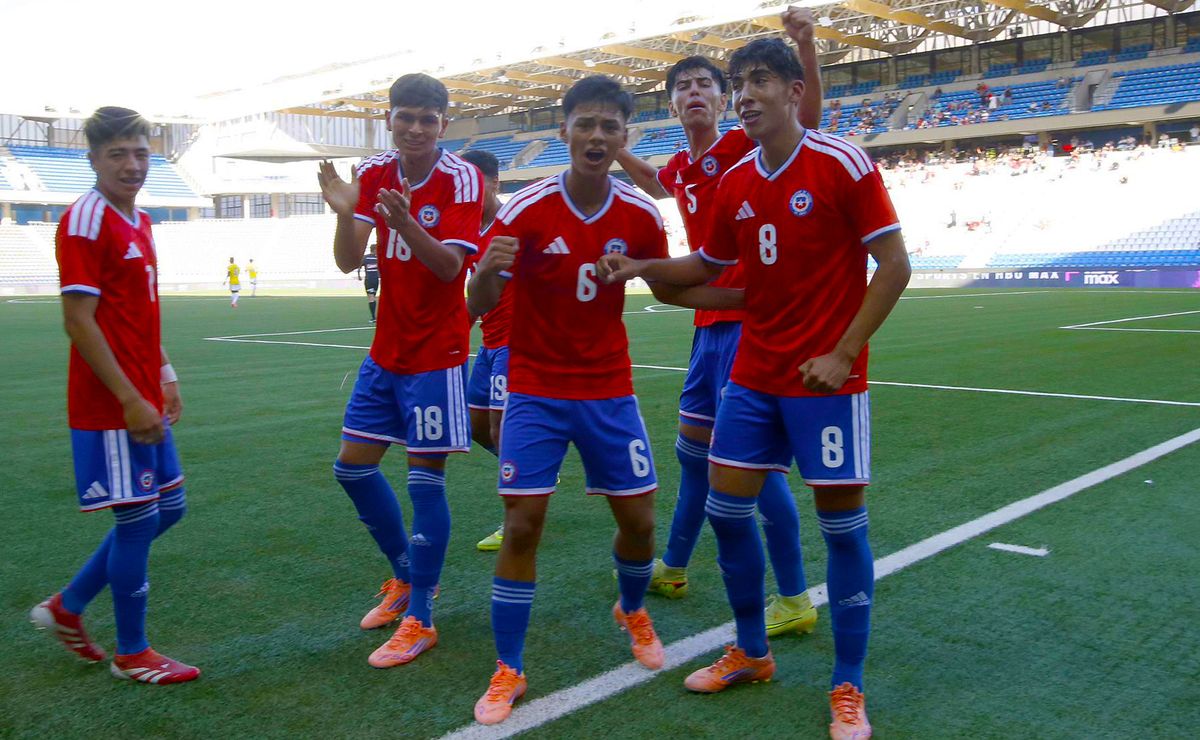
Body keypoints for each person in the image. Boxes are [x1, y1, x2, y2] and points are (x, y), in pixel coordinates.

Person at [597, 38, 911, 740]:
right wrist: (643, 268)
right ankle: (752, 649)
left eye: (760, 80)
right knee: (727, 512)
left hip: (826, 382)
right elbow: (709, 264)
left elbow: (893, 265)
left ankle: (848, 685)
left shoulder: (841, 164)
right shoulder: (736, 180)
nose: (744, 93)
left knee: (842, 528)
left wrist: (843, 351)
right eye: (739, 81)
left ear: (794, 91)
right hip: (753, 375)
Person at [468, 75, 683, 726]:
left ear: (624, 139)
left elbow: (668, 286)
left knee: (640, 523)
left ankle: (633, 609)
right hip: (534, 388)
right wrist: (488, 271)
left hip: (608, 389)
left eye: (609, 127)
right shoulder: (524, 210)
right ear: (563, 131)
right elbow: (477, 305)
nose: (596, 136)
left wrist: (708, 286)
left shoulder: (641, 215)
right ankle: (508, 667)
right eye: (584, 124)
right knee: (522, 524)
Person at [612, 6, 822, 638]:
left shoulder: (743, 146)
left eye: (706, 84)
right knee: (694, 456)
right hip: (707, 328)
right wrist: (615, 145)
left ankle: (792, 596)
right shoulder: (683, 167)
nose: (694, 93)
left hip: (749, 325)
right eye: (683, 87)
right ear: (673, 105)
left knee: (752, 471)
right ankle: (674, 565)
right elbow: (657, 181)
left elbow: (807, 119)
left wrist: (805, 47)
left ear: (725, 99)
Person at [316, 73, 483, 668]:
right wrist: (345, 214)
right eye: (404, 116)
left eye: (427, 119)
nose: (414, 128)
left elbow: (448, 271)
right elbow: (345, 261)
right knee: (352, 469)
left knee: (424, 482)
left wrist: (406, 221)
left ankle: (422, 618)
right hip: (386, 350)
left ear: (444, 122)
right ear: (390, 117)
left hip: (436, 354)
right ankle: (409, 579)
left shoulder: (462, 178)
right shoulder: (378, 172)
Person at [30, 106, 199, 684]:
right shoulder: (84, 220)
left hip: (143, 392)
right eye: (117, 154)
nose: (132, 165)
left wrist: (165, 371)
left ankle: (67, 606)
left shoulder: (140, 219)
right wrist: (130, 397)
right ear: (93, 159)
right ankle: (133, 654)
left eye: (140, 152)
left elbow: (135, 316)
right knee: (136, 521)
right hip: (111, 404)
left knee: (168, 508)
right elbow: (80, 321)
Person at [459, 148, 510, 551]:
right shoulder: (467, 229)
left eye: (477, 179)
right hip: (489, 342)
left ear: (494, 181)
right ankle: (529, 464)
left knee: (499, 427)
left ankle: (515, 517)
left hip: (517, 341)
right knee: (475, 426)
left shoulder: (513, 224)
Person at [356, 243, 380, 322]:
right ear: (375, 250)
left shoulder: (365, 258)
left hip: (369, 280)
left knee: (371, 297)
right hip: (376, 280)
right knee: (373, 296)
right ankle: (375, 317)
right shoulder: (378, 258)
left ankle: (373, 317)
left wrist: (359, 276)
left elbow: (359, 267)